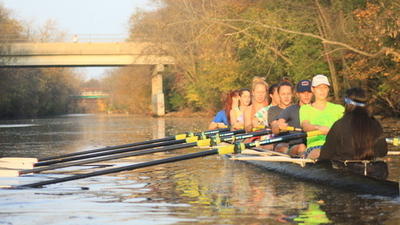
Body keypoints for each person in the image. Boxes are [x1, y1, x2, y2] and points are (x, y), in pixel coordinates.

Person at [319, 88, 388, 161]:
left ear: (348, 104)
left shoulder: (339, 125)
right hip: (370, 169)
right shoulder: (375, 124)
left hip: (345, 170)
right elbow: (382, 151)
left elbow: (325, 155)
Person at [299, 74, 344, 159]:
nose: (322, 90)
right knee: (319, 153)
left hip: (336, 146)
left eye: (325, 87)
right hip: (316, 146)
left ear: (328, 89)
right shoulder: (305, 109)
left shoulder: (339, 109)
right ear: (313, 89)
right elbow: (305, 126)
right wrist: (318, 128)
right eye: (319, 87)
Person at [271, 80, 313, 155]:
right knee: (302, 147)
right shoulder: (290, 109)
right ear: (297, 94)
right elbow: (277, 125)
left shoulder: (317, 109)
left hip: (313, 143)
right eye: (303, 93)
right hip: (296, 145)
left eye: (309, 92)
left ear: (313, 93)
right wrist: (278, 126)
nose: (306, 95)